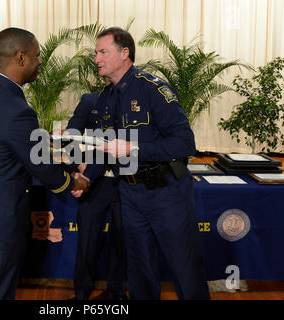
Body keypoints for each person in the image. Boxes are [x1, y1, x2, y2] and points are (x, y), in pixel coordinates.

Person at [0, 27, 89, 300]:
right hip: (0, 221)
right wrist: (73, 181)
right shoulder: (18, 110)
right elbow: (40, 165)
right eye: (37, 56)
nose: (40, 61)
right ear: (20, 58)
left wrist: (44, 145)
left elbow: (11, 144)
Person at [82, 27, 210, 300]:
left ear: (124, 53)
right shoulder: (104, 99)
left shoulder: (152, 88)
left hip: (166, 193)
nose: (96, 59)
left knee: (185, 270)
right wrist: (86, 180)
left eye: (102, 52)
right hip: (129, 195)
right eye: (96, 53)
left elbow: (184, 143)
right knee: (140, 273)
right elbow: (107, 149)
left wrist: (135, 148)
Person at [65, 89, 127, 300]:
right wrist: (78, 166)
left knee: (121, 242)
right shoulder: (90, 100)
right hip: (94, 186)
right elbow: (70, 135)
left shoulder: (135, 102)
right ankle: (82, 295)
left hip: (125, 184)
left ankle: (116, 294)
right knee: (87, 243)